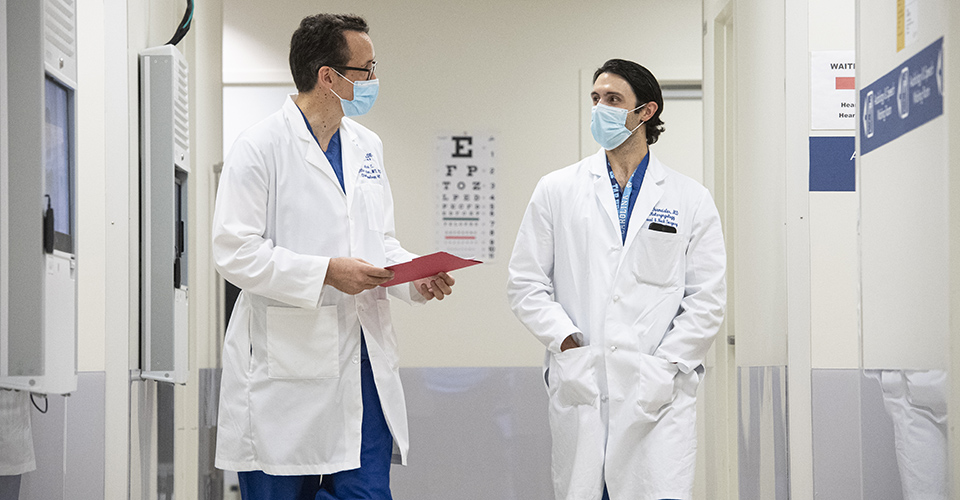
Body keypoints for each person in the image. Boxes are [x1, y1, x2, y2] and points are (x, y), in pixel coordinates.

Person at [212, 13, 455, 500]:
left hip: (361, 362)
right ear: (329, 77)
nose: (374, 80)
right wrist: (325, 272)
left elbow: (379, 240)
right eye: (366, 69)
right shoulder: (259, 146)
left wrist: (414, 278)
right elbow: (234, 252)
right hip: (287, 368)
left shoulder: (367, 147)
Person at [507, 59, 726, 500]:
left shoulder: (689, 198)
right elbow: (525, 283)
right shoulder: (557, 189)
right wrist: (568, 341)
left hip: (658, 393)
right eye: (595, 99)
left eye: (613, 100)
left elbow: (707, 299)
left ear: (645, 112)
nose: (600, 109)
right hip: (583, 382)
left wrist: (665, 366)